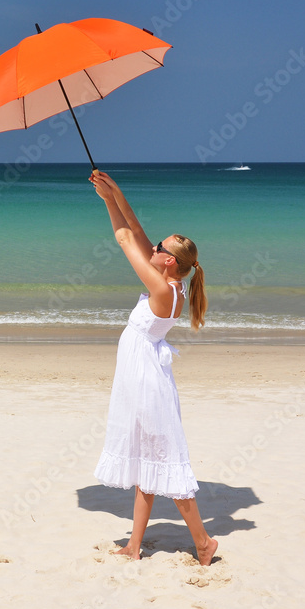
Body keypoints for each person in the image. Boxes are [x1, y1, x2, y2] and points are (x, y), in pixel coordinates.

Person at [89, 170, 218, 566]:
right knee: (147, 458)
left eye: (161, 245)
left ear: (169, 261)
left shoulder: (164, 289)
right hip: (140, 372)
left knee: (164, 458)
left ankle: (203, 541)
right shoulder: (170, 279)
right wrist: (112, 196)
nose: (155, 245)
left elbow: (126, 237)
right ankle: (134, 544)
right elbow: (138, 230)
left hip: (146, 377)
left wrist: (111, 200)